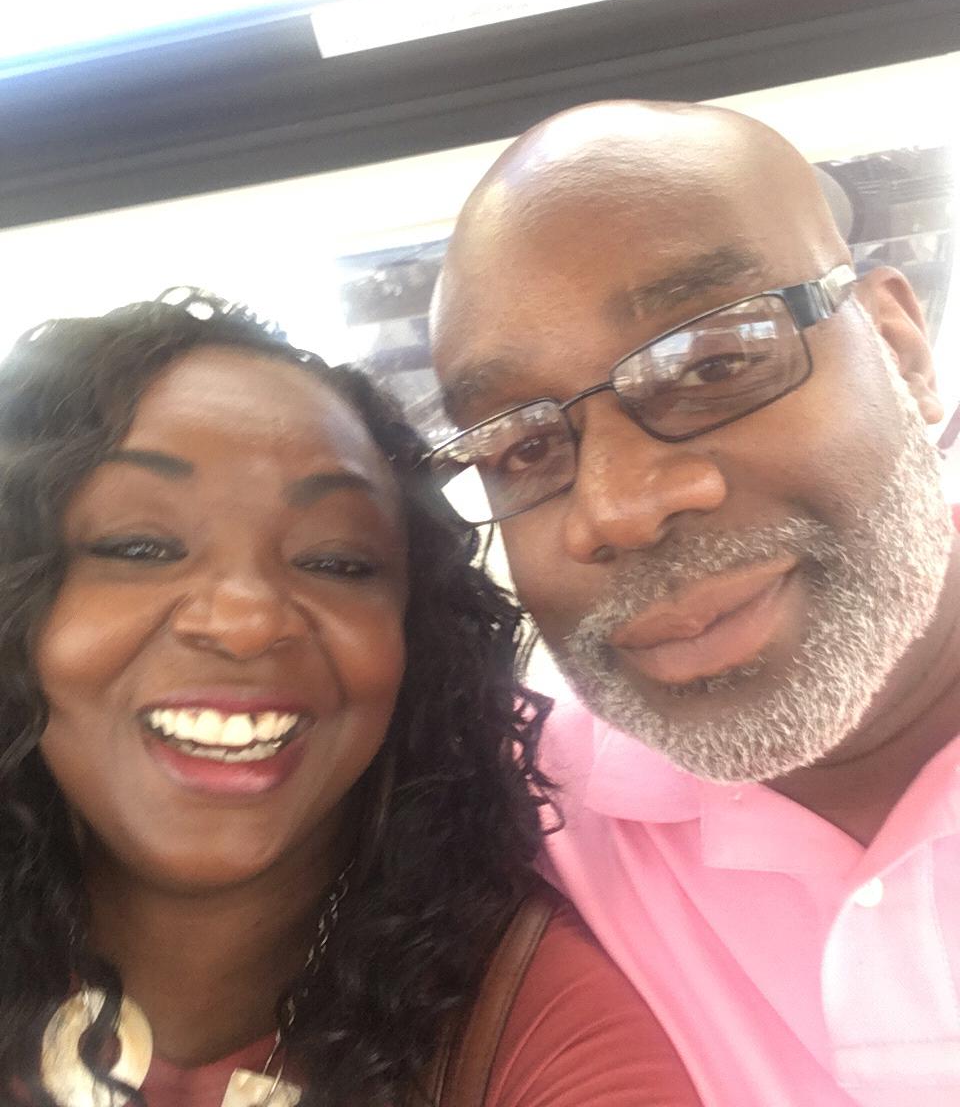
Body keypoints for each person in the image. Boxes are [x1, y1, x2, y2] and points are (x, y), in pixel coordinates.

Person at [0, 291, 701, 1106]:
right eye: (139, 546)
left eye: (335, 561)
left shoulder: (540, 1028)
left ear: (419, 639)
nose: (246, 622)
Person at [429, 100, 960, 1107]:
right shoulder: (511, 821)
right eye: (523, 446)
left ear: (903, 350)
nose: (619, 507)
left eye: (714, 364)